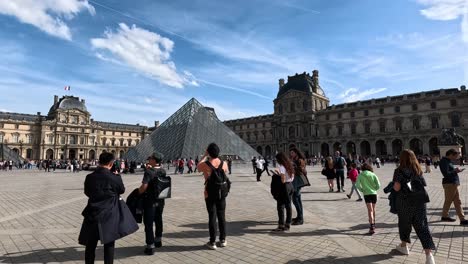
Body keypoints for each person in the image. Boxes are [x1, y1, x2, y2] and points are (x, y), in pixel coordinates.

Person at [78, 152, 138, 264]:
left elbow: (87, 192)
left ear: (99, 161)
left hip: (92, 213)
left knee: (90, 245)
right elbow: (121, 190)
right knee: (109, 245)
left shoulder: (89, 177)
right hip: (109, 213)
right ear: (111, 163)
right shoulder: (114, 177)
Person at [393, 149, 435, 264]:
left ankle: (404, 246)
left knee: (404, 224)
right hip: (419, 201)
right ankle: (429, 256)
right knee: (422, 226)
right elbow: (423, 184)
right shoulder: (418, 169)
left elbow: (396, 188)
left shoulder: (398, 171)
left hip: (404, 202)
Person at [197, 143, 229, 250]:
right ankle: (223, 239)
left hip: (209, 193)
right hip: (222, 193)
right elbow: (225, 173)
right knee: (222, 216)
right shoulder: (224, 163)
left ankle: (212, 242)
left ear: (209, 152)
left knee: (212, 217)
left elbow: (198, 166)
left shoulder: (206, 164)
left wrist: (204, 155)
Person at [138, 152, 168, 255]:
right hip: (160, 200)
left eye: (150, 158)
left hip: (149, 201)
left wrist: (138, 192)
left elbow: (144, 186)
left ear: (154, 160)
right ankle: (158, 240)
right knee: (159, 219)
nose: (149, 159)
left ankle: (150, 246)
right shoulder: (163, 171)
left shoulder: (149, 172)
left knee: (149, 223)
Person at [439, 149, 468, 225]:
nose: (456, 158)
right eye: (455, 156)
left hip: (452, 183)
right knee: (454, 201)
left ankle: (446, 216)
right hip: (450, 183)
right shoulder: (444, 161)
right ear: (450, 154)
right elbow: (446, 173)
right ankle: (461, 219)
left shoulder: (447, 161)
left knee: (454, 201)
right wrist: (455, 171)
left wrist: (456, 171)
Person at [271, 152, 295, 232]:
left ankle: (281, 225)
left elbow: (283, 180)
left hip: (284, 187)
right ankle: (287, 224)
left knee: (280, 206)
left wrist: (277, 175)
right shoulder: (290, 165)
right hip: (290, 186)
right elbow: (291, 177)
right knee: (288, 206)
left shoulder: (281, 167)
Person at [356, 163, 381, 234]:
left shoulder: (360, 175)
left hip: (366, 194)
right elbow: (378, 185)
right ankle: (373, 222)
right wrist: (375, 189)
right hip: (374, 194)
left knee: (370, 210)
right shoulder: (373, 174)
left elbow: (357, 185)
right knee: (373, 209)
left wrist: (362, 190)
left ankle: (372, 226)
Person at [290, 147, 309, 225]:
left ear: (296, 153)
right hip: (296, 181)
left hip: (298, 181)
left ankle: (300, 219)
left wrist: (292, 167)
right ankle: (299, 216)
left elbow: (301, 170)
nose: (291, 154)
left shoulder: (299, 160)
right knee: (298, 199)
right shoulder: (296, 160)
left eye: (292, 153)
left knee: (295, 199)